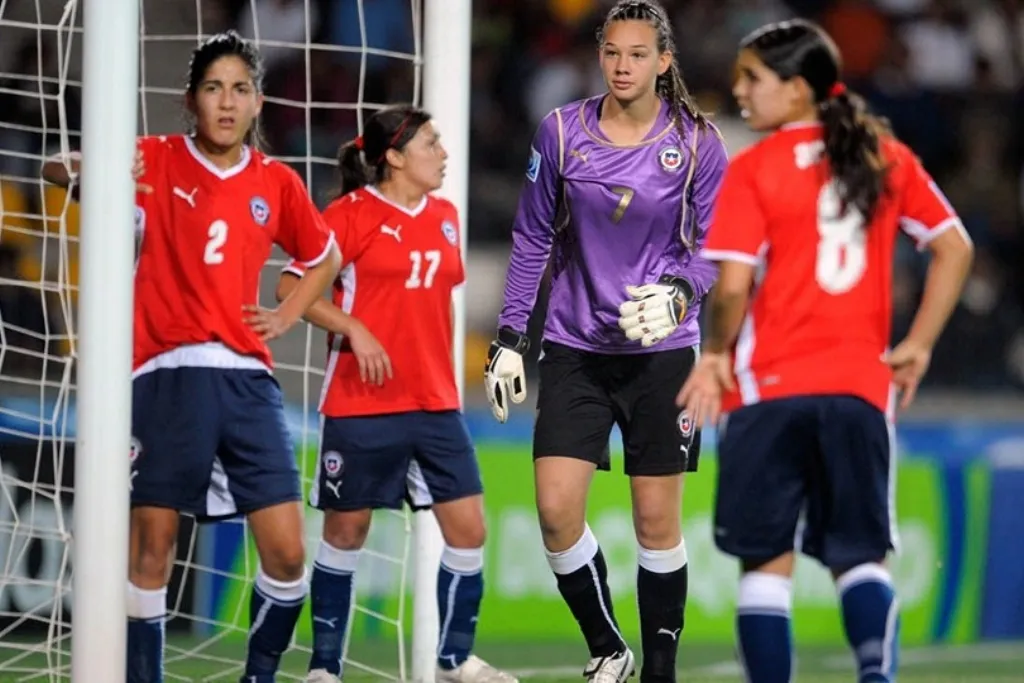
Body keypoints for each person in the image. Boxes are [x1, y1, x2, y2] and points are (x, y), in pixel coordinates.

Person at [677, 19, 974, 683]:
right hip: (858, 388)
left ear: (799, 88)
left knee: (765, 566)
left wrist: (716, 352)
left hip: (767, 389)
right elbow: (954, 247)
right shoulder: (885, 156)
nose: (739, 91)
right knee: (860, 559)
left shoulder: (755, 167)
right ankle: (876, 674)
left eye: (753, 77)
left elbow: (731, 288)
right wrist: (918, 343)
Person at [43, 31, 341, 683]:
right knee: (151, 549)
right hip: (163, 374)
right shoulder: (155, 158)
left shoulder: (278, 183)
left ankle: (258, 675)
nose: (226, 103)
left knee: (289, 554)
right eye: (213, 89)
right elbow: (55, 168)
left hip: (247, 379)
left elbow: (325, 256)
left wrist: (288, 314)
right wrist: (93, 171)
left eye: (239, 89)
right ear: (190, 100)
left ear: (259, 102)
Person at [484, 1, 728, 681]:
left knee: (656, 524)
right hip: (574, 347)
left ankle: (660, 670)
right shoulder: (560, 132)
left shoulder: (700, 143)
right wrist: (510, 334)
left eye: (638, 54)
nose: (623, 66)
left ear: (664, 61)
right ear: (599, 54)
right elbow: (533, 235)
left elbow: (718, 247)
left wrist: (681, 291)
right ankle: (608, 645)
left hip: (662, 354)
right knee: (556, 510)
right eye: (612, 52)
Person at [276, 105, 517, 683]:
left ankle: (454, 661)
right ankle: (325, 669)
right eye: (431, 143)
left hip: (435, 403)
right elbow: (292, 288)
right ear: (394, 156)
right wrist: (354, 327)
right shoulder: (349, 216)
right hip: (362, 401)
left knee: (470, 530)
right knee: (346, 533)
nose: (443, 153)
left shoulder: (446, 216)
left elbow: (437, 302)